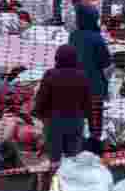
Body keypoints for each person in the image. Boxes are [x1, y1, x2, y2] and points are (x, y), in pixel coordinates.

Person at [34, 44, 93, 173]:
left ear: (57, 58)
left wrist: (38, 114)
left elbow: (41, 98)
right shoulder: (82, 76)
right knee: (73, 159)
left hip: (54, 122)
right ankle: (72, 186)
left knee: (55, 160)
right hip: (75, 121)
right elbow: (88, 102)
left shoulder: (50, 74)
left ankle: (54, 187)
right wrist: (89, 120)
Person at [69, 4, 113, 140]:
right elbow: (105, 62)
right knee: (95, 121)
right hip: (94, 87)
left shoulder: (73, 36)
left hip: (76, 85)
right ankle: (94, 143)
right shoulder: (97, 38)